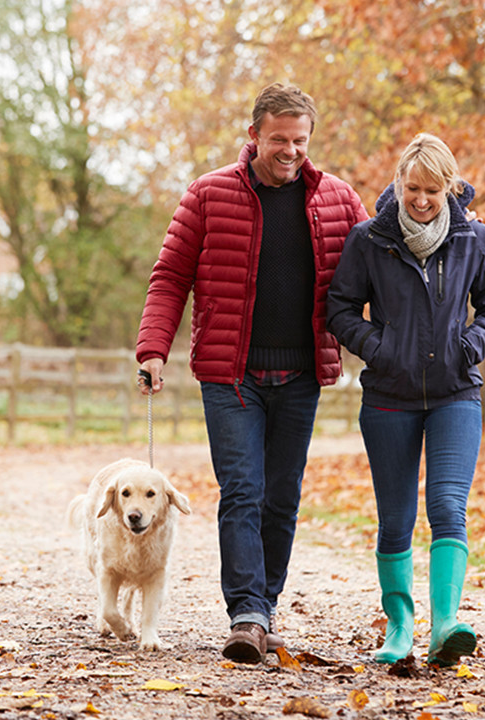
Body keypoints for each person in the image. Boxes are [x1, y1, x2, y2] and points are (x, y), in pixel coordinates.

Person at [135, 83, 368, 663]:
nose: (290, 151)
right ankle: (246, 612)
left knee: (282, 497)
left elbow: (381, 262)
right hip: (229, 375)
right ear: (254, 135)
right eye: (279, 140)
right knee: (242, 490)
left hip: (302, 377)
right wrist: (152, 349)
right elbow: (169, 277)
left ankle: (263, 608)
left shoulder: (338, 201)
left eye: (300, 141)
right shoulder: (208, 194)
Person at [327, 133, 485, 666]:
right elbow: (340, 309)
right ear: (399, 184)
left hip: (456, 393)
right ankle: (400, 625)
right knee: (395, 517)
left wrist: (467, 346)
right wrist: (379, 349)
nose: (422, 200)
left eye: (433, 190)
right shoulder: (370, 240)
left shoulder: (473, 239)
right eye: (413, 188)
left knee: (449, 508)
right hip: (389, 396)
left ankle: (446, 622)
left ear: (450, 188)